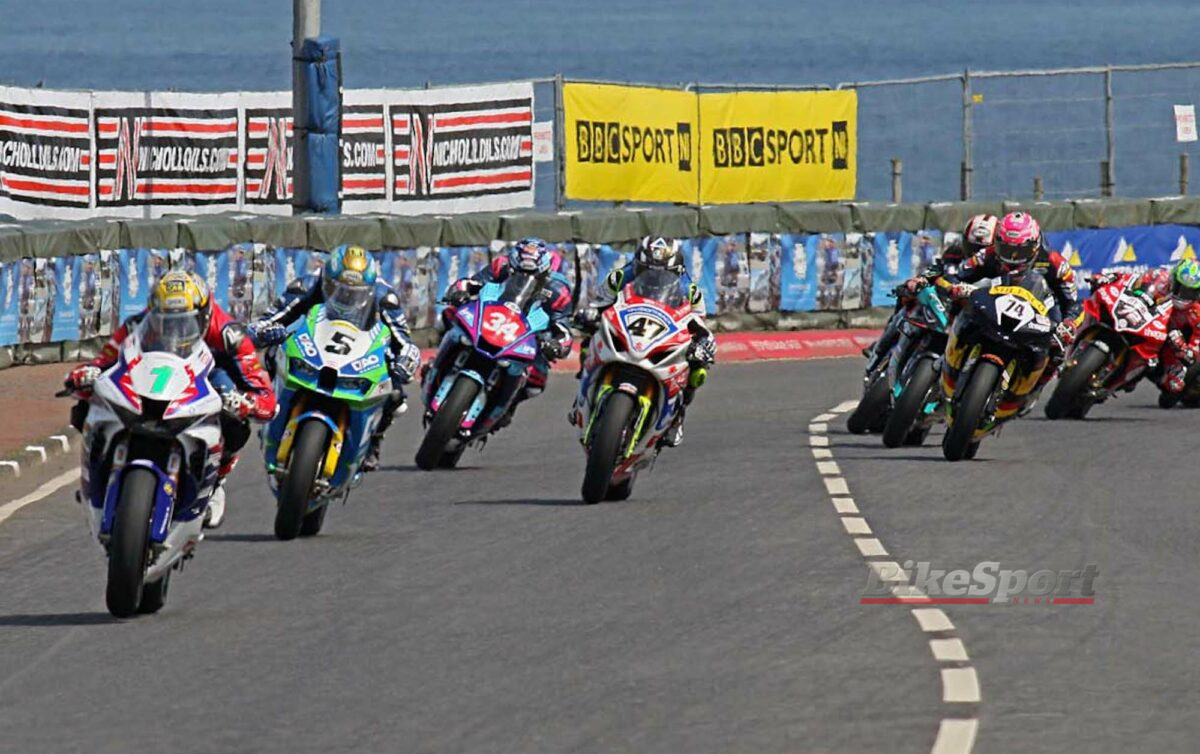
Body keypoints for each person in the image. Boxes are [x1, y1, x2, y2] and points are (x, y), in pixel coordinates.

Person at [63, 270, 276, 529]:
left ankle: (216, 480)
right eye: (165, 320)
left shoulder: (229, 335)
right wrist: (86, 374)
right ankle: (96, 472)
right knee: (91, 398)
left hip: (206, 380)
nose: (175, 329)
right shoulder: (136, 324)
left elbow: (264, 395)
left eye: (185, 322)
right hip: (155, 374)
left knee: (234, 419)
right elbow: (104, 361)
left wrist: (247, 403)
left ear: (204, 314)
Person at [248, 244, 422, 472]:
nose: (346, 296)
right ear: (326, 280)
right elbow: (266, 321)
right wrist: (265, 331)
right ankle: (269, 402)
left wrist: (405, 361)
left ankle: (373, 441)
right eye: (337, 288)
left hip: (359, 349)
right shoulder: (305, 286)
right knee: (273, 352)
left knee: (395, 391)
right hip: (315, 341)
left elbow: (405, 342)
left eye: (355, 292)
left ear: (368, 289)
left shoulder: (385, 297)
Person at [575, 235, 716, 448]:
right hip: (627, 325)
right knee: (591, 337)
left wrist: (702, 344)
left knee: (698, 367)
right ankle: (583, 388)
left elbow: (699, 325)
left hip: (662, 332)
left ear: (676, 269)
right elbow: (599, 305)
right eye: (646, 270)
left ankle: (678, 416)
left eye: (662, 273)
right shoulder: (619, 277)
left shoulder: (690, 290)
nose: (654, 278)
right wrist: (589, 316)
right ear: (638, 265)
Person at [946, 211, 1081, 407]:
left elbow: (1074, 303)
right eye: (1006, 249)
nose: (1012, 257)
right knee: (958, 308)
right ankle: (951, 358)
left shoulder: (1055, 264)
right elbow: (958, 274)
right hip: (993, 302)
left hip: (1038, 309)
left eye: (1019, 251)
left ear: (1034, 246)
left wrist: (1068, 324)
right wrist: (956, 286)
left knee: (1058, 347)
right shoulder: (988, 254)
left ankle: (1034, 389)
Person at [442, 237, 574, 425]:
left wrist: (557, 344)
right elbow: (473, 283)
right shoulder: (500, 266)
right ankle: (438, 363)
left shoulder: (559, 291)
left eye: (532, 275)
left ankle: (508, 406)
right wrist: (459, 292)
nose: (523, 277)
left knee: (536, 382)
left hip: (526, 332)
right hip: (490, 317)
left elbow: (563, 325)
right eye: (518, 272)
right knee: (449, 314)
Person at [863, 214, 998, 371]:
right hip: (946, 299)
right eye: (972, 247)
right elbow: (937, 269)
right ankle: (883, 343)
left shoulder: (998, 265)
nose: (976, 253)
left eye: (982, 249)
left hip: (974, 310)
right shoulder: (955, 252)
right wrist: (919, 280)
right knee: (907, 296)